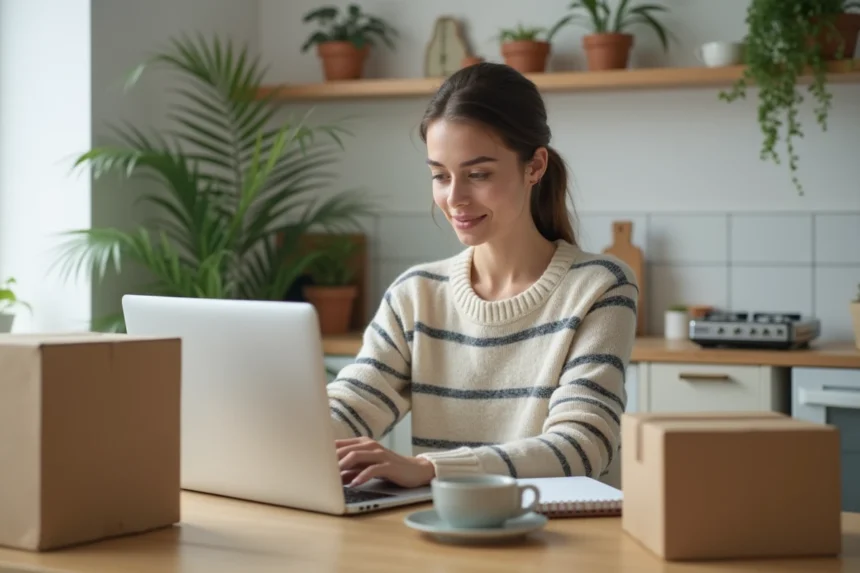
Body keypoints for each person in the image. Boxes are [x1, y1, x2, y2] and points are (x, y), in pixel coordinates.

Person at [327, 62, 638, 490]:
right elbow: (350, 407)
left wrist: (432, 469)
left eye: (478, 174)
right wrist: (292, 435)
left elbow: (583, 446)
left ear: (535, 167)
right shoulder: (415, 294)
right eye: (440, 175)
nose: (454, 198)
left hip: (559, 542)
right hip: (441, 536)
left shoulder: (600, 286)